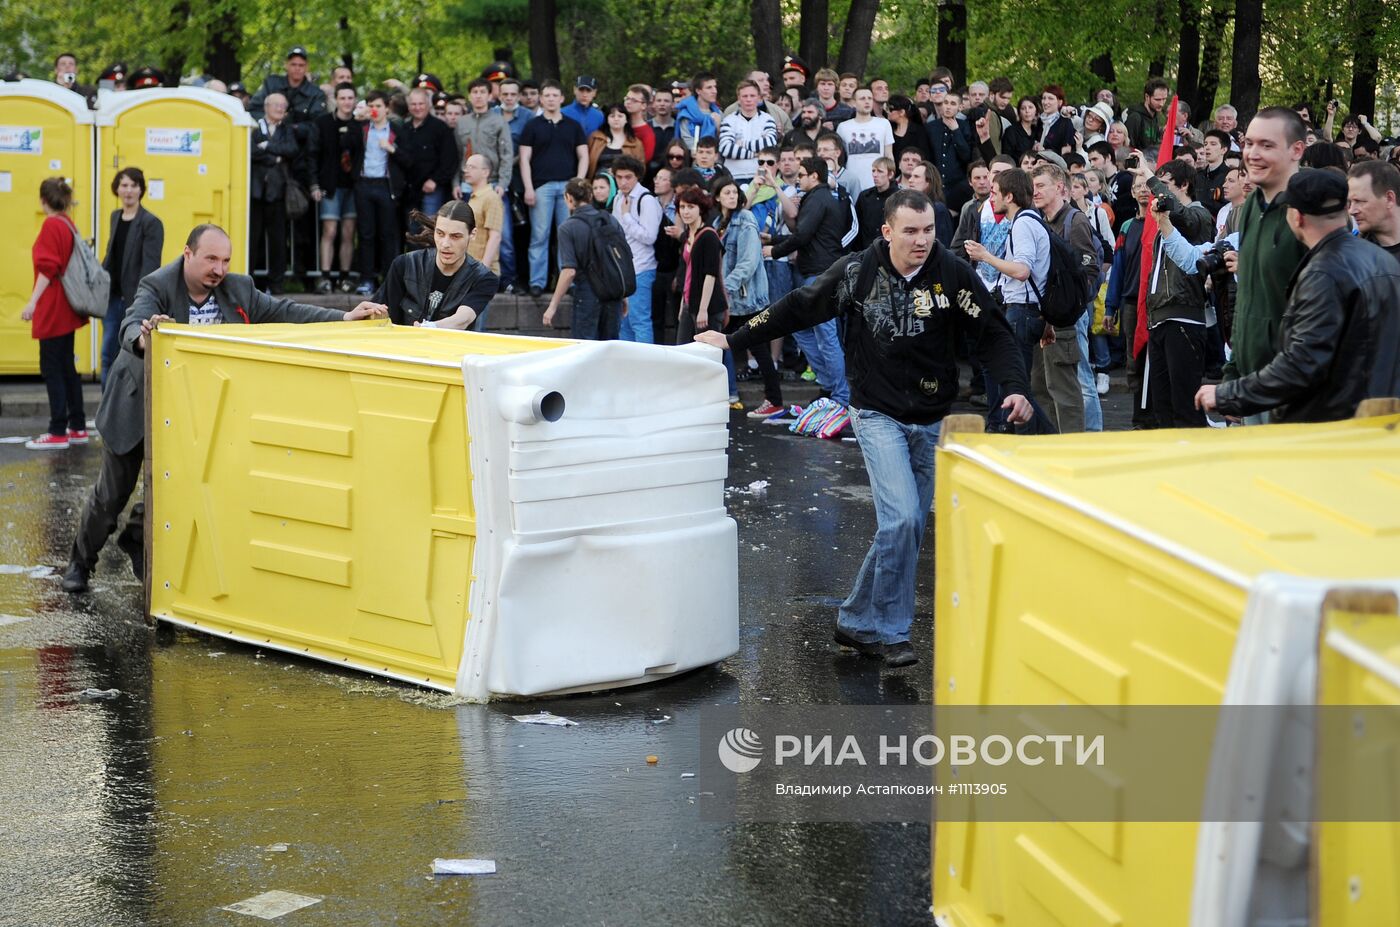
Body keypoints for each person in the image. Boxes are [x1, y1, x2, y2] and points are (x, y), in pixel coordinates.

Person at [699, 190, 1031, 667]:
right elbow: (798, 306)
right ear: (887, 231)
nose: (922, 241)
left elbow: (994, 332)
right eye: (911, 231)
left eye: (929, 230)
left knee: (907, 527)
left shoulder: (952, 272)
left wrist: (1015, 387)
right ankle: (893, 633)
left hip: (932, 417)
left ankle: (856, 620)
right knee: (902, 521)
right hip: (876, 412)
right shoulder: (858, 271)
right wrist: (734, 339)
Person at [60, 225, 388, 592]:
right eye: (211, 259)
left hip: (191, 415)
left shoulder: (238, 289)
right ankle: (79, 564)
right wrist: (145, 337)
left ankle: (137, 535)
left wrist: (343, 318)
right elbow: (132, 323)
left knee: (179, 492)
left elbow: (286, 311)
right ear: (188, 254)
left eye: (226, 260)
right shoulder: (158, 284)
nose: (219, 269)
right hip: (137, 405)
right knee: (110, 497)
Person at [1197, 169, 1400, 423]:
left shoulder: (1324, 274)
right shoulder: (1381, 260)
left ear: (1297, 217)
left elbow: (1302, 363)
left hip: (1336, 424)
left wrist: (1229, 394)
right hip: (1380, 422)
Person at [1222, 107, 1309, 422]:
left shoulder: (1311, 212)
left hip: (1291, 393)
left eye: (1266, 145)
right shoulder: (1249, 208)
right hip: (1252, 385)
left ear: (1296, 150)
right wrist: (1233, 375)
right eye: (1249, 143)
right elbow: (1248, 296)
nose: (1253, 154)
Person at [1134, 158, 1215, 427]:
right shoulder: (1165, 223)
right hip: (1160, 318)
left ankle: (1194, 454)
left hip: (1184, 318)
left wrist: (1150, 179)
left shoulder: (1199, 215)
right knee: (1163, 408)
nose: (1158, 192)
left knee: (1185, 407)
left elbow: (1184, 217)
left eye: (1165, 185)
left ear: (1184, 185)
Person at [765, 157, 850, 408]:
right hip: (817, 272)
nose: (798, 179)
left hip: (820, 274)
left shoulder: (818, 198)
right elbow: (808, 233)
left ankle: (840, 395)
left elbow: (802, 235)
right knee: (801, 328)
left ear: (815, 176)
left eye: (802, 175)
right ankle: (831, 385)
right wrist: (773, 239)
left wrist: (774, 250)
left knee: (826, 336)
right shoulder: (818, 198)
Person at [20, 178, 88, 450]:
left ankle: (58, 430)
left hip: (53, 306)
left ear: (43, 201)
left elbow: (48, 268)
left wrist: (32, 302)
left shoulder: (51, 225)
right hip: (67, 307)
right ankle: (78, 426)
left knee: (52, 368)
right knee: (67, 367)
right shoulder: (68, 224)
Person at [378, 200, 498, 331]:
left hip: (451, 344)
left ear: (472, 234)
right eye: (440, 234)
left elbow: (463, 319)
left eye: (455, 236)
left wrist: (429, 327)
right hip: (404, 342)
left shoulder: (483, 278)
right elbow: (379, 313)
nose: (445, 244)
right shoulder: (405, 265)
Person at [519, 80, 589, 297]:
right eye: (547, 95)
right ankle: (537, 282)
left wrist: (578, 183)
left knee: (566, 235)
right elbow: (524, 159)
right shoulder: (532, 125)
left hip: (568, 188)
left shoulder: (573, 126)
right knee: (540, 235)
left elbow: (584, 156)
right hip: (541, 186)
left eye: (554, 95)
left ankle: (567, 282)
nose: (550, 99)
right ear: (541, 99)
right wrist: (528, 188)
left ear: (562, 98)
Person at [712, 174, 776, 412]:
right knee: (719, 345)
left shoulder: (745, 219)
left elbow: (748, 262)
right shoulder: (719, 222)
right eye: (726, 192)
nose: (731, 196)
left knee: (758, 348)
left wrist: (724, 289)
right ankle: (724, 393)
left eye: (734, 192)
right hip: (731, 299)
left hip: (747, 298)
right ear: (717, 197)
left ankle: (775, 400)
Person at [100, 168, 164, 385]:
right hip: (112, 299)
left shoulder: (151, 223)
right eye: (124, 185)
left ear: (141, 190)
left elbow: (150, 268)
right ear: (117, 189)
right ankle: (106, 405)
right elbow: (112, 256)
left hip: (133, 302)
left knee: (129, 359)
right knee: (107, 356)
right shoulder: (115, 217)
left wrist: (140, 302)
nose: (128, 190)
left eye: (134, 185)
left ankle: (124, 405)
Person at [542, 178, 625, 340]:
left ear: (569, 198)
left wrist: (552, 306)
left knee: (585, 344)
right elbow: (620, 260)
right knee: (610, 345)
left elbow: (569, 271)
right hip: (613, 290)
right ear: (590, 196)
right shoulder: (609, 219)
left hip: (588, 291)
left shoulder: (568, 227)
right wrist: (624, 295)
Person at [352, 91, 411, 296]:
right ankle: (367, 279)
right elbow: (346, 145)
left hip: (386, 186)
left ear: (387, 108)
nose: (374, 110)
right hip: (364, 184)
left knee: (388, 234)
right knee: (366, 234)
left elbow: (408, 160)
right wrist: (356, 120)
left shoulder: (397, 130)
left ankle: (389, 280)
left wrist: (392, 149)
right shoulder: (362, 128)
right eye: (371, 106)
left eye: (378, 106)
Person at [250, 93, 304, 294]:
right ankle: (251, 281)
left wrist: (268, 146)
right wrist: (275, 158)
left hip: (278, 192)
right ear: (266, 107)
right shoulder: (254, 127)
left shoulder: (286, 129)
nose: (281, 109)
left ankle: (276, 283)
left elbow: (292, 149)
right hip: (256, 192)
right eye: (277, 105)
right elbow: (251, 152)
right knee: (253, 239)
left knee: (278, 240)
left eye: (284, 105)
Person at [311, 82, 361, 293]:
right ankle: (324, 277)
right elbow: (313, 155)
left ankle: (344, 277)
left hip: (354, 186)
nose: (346, 102)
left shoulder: (360, 124)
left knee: (348, 233)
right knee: (329, 231)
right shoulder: (323, 123)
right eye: (343, 98)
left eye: (350, 98)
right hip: (330, 185)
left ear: (355, 100)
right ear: (336, 100)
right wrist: (314, 184)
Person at [611, 156, 662, 343]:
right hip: (622, 270)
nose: (623, 182)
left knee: (639, 321)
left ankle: (645, 360)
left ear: (637, 177)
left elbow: (649, 236)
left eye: (628, 177)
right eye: (619, 177)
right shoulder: (618, 198)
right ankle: (628, 359)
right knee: (623, 322)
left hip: (641, 268)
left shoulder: (646, 200)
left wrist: (627, 217)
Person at [673, 186, 728, 348]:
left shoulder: (709, 235)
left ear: (701, 209)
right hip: (689, 302)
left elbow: (711, 274)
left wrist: (703, 309)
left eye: (691, 207)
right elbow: (687, 273)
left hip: (708, 305)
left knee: (708, 353)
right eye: (682, 207)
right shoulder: (687, 236)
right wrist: (683, 304)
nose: (685, 211)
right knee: (683, 349)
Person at [397, 88, 457, 227]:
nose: (417, 107)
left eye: (421, 104)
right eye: (413, 104)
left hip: (432, 190)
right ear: (408, 106)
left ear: (428, 105)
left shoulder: (440, 128)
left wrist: (435, 180)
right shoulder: (404, 129)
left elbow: (450, 159)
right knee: (412, 233)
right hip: (410, 192)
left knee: (430, 231)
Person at [454, 79, 514, 203]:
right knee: (468, 216)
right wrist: (455, 183)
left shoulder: (499, 121)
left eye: (482, 92)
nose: (478, 95)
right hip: (467, 183)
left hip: (493, 183)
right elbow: (456, 155)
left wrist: (502, 184)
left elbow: (506, 155)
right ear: (469, 96)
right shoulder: (461, 122)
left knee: (499, 216)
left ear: (490, 96)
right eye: (475, 92)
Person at [718, 81, 779, 185]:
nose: (748, 99)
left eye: (752, 96)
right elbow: (725, 149)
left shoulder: (767, 119)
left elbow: (770, 143)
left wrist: (743, 144)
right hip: (733, 176)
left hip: (761, 175)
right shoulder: (729, 120)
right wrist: (754, 154)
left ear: (759, 98)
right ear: (738, 98)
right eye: (745, 96)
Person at [836, 88, 894, 193]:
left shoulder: (884, 124)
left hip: (878, 181)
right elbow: (839, 158)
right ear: (854, 103)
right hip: (852, 182)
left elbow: (889, 155)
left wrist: (890, 179)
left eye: (870, 98)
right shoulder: (843, 127)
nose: (867, 101)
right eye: (862, 98)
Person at [251, 46, 327, 125]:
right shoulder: (271, 84)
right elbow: (254, 109)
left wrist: (292, 128)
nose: (297, 68)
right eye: (293, 64)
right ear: (286, 65)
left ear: (307, 67)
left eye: (301, 65)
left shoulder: (316, 94)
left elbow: (317, 123)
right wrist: (268, 123)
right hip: (270, 129)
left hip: (299, 132)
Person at [462, 155, 504, 287]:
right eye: (466, 166)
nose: (466, 170)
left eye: (472, 167)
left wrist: (482, 270)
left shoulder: (491, 198)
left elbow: (495, 237)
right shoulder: (474, 197)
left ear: (485, 172)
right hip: (470, 269)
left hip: (482, 272)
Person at [1347, 160, 1400, 261]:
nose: (1351, 211)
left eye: (1359, 201)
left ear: (1389, 199)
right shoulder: (1354, 257)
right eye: (1350, 202)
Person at [588, 103, 646, 179]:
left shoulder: (636, 143)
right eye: (612, 116)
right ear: (607, 119)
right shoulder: (595, 138)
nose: (616, 119)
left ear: (626, 119)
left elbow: (641, 169)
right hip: (597, 182)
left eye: (620, 116)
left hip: (624, 183)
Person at [855, 157, 898, 249]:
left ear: (890, 174)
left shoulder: (899, 197)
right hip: (866, 248)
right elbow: (857, 224)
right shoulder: (865, 196)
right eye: (873, 171)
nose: (875, 175)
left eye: (880, 171)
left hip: (890, 248)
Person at [675, 72, 723, 150]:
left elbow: (724, 142)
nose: (714, 91)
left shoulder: (719, 113)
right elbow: (687, 141)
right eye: (709, 88)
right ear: (698, 91)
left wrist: (719, 128)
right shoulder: (686, 114)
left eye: (715, 87)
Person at [1125, 78, 1170, 151]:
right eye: (1157, 99)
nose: (1161, 104)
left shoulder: (1155, 117)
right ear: (1147, 97)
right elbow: (1129, 146)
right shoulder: (1135, 117)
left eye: (1164, 99)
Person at [886, 95, 932, 165]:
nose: (888, 112)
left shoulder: (919, 131)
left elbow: (925, 156)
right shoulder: (888, 129)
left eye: (891, 109)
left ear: (902, 112)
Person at [1038, 86, 1076, 156]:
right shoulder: (1039, 121)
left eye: (1050, 98)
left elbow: (1066, 151)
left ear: (1060, 102)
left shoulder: (1065, 122)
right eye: (1044, 98)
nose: (1045, 102)